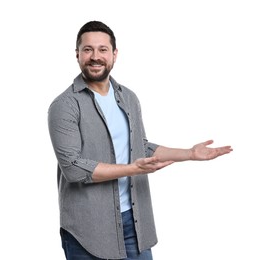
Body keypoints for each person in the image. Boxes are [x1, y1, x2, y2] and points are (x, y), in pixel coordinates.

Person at [48, 20, 233, 260]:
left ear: (114, 55)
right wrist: (132, 169)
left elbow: (140, 146)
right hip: (89, 229)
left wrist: (188, 153)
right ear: (77, 55)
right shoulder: (64, 106)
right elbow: (73, 168)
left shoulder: (128, 98)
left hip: (134, 222)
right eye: (88, 50)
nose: (95, 56)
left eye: (103, 49)